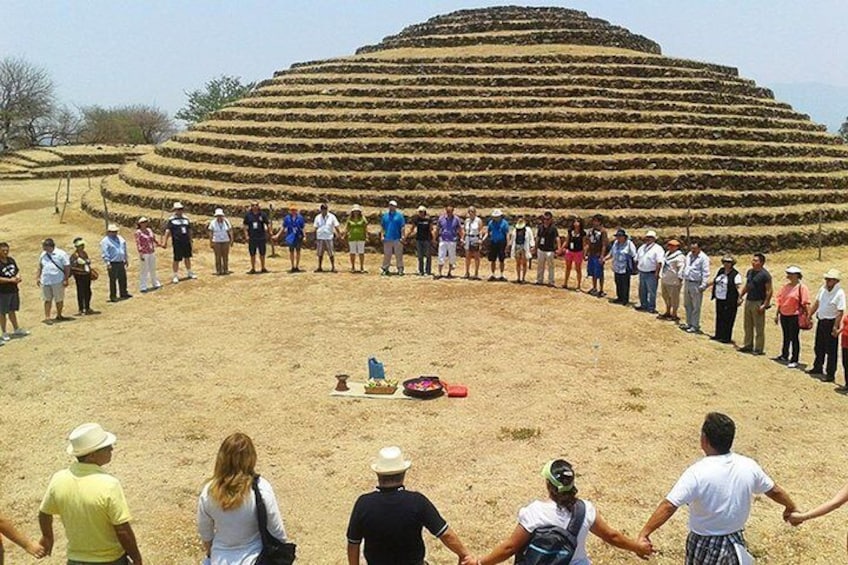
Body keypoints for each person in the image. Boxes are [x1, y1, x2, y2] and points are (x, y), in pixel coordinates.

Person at [639, 412, 797, 564]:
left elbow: (669, 505)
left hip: (705, 545)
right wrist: (790, 506)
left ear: (704, 440)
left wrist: (644, 533)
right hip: (736, 543)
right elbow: (774, 490)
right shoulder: (748, 465)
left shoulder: (697, 472)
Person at [466, 459, 652, 565]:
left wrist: (480, 563)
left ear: (548, 484)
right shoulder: (586, 509)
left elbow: (510, 548)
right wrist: (637, 547)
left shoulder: (534, 512)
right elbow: (612, 536)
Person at [346, 446, 473, 565]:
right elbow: (445, 534)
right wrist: (465, 555)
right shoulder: (417, 501)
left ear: (378, 474)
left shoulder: (363, 504)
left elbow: (353, 543)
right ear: (403, 473)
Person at [39, 423, 143, 565]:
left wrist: (47, 537)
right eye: (106, 447)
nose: (111, 449)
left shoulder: (59, 479)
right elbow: (122, 530)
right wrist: (136, 558)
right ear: (92, 456)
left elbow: (44, 513)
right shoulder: (109, 484)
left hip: (75, 560)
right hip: (110, 560)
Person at [197, 433, 289, 564]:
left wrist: (211, 555)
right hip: (254, 558)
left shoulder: (208, 492)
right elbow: (276, 529)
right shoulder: (261, 488)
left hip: (220, 558)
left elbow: (205, 533)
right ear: (251, 458)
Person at [807, 268, 846, 382]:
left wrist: (835, 326)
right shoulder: (822, 289)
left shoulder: (839, 293)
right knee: (819, 346)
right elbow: (817, 303)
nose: (827, 281)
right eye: (827, 279)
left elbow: (840, 311)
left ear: (836, 281)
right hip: (822, 320)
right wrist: (810, 314)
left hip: (831, 322)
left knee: (831, 350)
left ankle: (830, 373)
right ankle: (818, 367)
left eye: (830, 279)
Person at [774, 266, 810, 369]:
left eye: (790, 273)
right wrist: (777, 314)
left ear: (796, 275)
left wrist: (808, 316)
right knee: (786, 336)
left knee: (794, 337)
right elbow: (780, 301)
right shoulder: (785, 287)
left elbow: (805, 303)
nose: (788, 275)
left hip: (794, 316)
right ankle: (784, 355)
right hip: (784, 314)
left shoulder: (802, 288)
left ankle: (795, 359)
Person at [737, 253, 773, 355]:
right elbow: (748, 285)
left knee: (759, 327)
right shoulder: (750, 272)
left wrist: (765, 304)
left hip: (758, 302)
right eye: (753, 260)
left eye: (756, 261)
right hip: (749, 301)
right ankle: (748, 345)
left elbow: (769, 291)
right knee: (747, 325)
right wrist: (741, 295)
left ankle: (758, 348)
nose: (753, 262)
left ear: (762, 262)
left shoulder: (765, 275)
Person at [707, 255, 742, 344]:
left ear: (732, 263)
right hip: (720, 297)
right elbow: (716, 280)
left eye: (729, 262)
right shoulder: (721, 271)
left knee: (728, 318)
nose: (726, 264)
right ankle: (718, 334)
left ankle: (726, 337)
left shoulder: (735, 274)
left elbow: (738, 287)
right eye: (725, 262)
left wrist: (740, 297)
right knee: (720, 316)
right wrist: (706, 286)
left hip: (730, 299)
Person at [36, 238, 71, 324]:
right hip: (46, 280)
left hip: (58, 280)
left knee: (59, 299)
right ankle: (47, 317)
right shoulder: (43, 254)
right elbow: (40, 266)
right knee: (47, 299)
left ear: (49, 246)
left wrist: (66, 279)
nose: (43, 248)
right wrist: (38, 277)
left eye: (44, 246)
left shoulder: (61, 254)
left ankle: (59, 315)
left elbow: (67, 267)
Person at [0, 242, 29, 342]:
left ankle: (16, 328)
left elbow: (17, 271)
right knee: (2, 312)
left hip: (13, 290)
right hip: (2, 292)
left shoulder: (11, 260)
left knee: (12, 310)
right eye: (3, 250)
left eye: (7, 250)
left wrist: (18, 277)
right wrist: (10, 280)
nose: (5, 252)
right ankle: (4, 332)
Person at [162, 202, 197, 284]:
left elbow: (189, 230)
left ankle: (189, 272)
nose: (180, 211)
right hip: (177, 242)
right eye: (178, 209)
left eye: (181, 209)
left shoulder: (186, 219)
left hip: (186, 241)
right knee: (176, 259)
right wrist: (165, 241)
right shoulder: (171, 220)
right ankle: (175, 275)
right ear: (175, 210)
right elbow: (168, 231)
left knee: (187, 257)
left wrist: (191, 239)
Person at [680, 242, 710, 334]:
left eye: (694, 249)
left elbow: (706, 272)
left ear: (699, 248)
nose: (692, 250)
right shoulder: (689, 255)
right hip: (688, 281)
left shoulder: (704, 258)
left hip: (696, 283)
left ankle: (695, 325)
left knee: (696, 306)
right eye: (692, 248)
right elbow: (685, 266)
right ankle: (689, 323)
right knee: (687, 304)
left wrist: (703, 285)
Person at [635, 230, 664, 313]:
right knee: (642, 290)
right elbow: (637, 258)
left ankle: (651, 307)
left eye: (650, 237)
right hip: (642, 272)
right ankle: (643, 305)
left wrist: (657, 273)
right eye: (647, 237)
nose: (648, 239)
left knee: (652, 291)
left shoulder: (658, 249)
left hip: (651, 273)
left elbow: (659, 262)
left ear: (654, 239)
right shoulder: (642, 247)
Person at [604, 229, 636, 305]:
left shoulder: (629, 244)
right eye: (617, 236)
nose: (618, 238)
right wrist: (605, 259)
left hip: (625, 267)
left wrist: (635, 266)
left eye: (620, 236)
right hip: (617, 267)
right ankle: (619, 297)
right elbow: (611, 254)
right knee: (618, 283)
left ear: (624, 237)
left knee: (625, 284)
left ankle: (625, 299)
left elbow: (634, 255)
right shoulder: (615, 243)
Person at [100, 224, 131, 303]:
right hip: (112, 262)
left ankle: (123, 292)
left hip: (120, 261)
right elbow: (105, 253)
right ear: (109, 232)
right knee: (113, 280)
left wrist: (126, 259)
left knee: (123, 278)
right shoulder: (105, 241)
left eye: (115, 232)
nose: (114, 233)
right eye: (113, 232)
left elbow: (124, 248)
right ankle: (113, 296)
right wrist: (107, 262)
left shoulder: (120, 238)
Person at [272, 205, 306, 273]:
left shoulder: (300, 218)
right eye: (292, 210)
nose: (293, 211)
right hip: (291, 236)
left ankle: (297, 266)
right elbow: (283, 227)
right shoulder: (287, 218)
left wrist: (304, 236)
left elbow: (303, 228)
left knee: (298, 251)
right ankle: (292, 266)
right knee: (291, 251)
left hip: (298, 236)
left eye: (294, 210)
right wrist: (277, 235)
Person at [69, 238, 99, 316]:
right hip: (79, 276)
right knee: (81, 292)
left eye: (82, 245)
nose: (82, 247)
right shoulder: (74, 256)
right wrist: (78, 264)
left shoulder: (84, 253)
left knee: (88, 291)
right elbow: (71, 267)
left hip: (86, 275)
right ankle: (81, 308)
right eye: (80, 246)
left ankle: (87, 307)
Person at [657, 239, 684, 322]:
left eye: (672, 246)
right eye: (669, 245)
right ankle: (668, 311)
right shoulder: (667, 254)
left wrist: (680, 278)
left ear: (677, 247)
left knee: (674, 298)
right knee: (666, 296)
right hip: (665, 278)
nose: (670, 247)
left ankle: (674, 313)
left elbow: (681, 268)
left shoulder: (680, 257)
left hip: (674, 280)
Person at [134, 217, 162, 291]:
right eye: (143, 222)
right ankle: (143, 286)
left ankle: (155, 283)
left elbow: (153, 239)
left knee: (153, 268)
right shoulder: (138, 232)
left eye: (146, 222)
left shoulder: (149, 230)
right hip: (144, 252)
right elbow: (138, 243)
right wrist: (140, 253)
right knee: (144, 269)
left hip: (151, 251)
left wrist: (158, 243)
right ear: (139, 224)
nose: (144, 223)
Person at [243, 201, 270, 274]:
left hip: (261, 237)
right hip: (252, 237)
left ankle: (263, 267)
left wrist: (269, 232)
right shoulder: (248, 215)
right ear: (251, 206)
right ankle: (253, 268)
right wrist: (246, 235)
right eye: (253, 205)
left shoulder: (262, 214)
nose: (255, 206)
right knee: (252, 253)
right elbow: (245, 226)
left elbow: (267, 223)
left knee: (262, 253)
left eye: (256, 205)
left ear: (258, 206)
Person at [436, 205, 462, 279]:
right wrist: (435, 237)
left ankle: (449, 272)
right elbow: (438, 228)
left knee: (452, 257)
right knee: (441, 256)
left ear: (452, 211)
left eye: (450, 211)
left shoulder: (456, 219)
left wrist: (461, 237)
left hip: (452, 240)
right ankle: (440, 273)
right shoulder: (441, 218)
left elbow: (460, 229)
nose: (449, 213)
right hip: (443, 239)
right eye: (448, 211)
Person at [561, 217, 586, 291]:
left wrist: (584, 254)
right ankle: (565, 283)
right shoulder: (570, 231)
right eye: (575, 222)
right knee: (568, 267)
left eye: (577, 222)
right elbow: (567, 241)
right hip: (570, 251)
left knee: (578, 269)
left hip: (578, 252)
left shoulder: (582, 233)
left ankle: (578, 285)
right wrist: (562, 248)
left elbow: (584, 244)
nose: (576, 223)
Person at [380, 200, 405, 276]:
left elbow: (402, 227)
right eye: (390, 205)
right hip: (387, 238)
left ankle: (400, 268)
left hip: (397, 238)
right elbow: (382, 227)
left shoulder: (400, 216)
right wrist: (382, 235)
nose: (391, 207)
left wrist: (403, 236)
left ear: (395, 207)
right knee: (387, 254)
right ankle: (385, 268)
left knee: (399, 254)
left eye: (393, 206)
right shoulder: (385, 216)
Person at [585, 215, 608, 297]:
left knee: (600, 273)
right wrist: (586, 253)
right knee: (593, 272)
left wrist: (602, 256)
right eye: (593, 221)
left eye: (596, 221)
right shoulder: (591, 231)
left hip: (598, 255)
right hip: (592, 254)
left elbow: (604, 245)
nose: (594, 222)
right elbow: (588, 242)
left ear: (600, 222)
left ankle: (601, 289)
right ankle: (594, 287)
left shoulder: (603, 231)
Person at [534, 211, 559, 286]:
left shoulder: (553, 228)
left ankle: (551, 281)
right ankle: (539, 280)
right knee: (540, 266)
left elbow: (557, 238)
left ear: (551, 219)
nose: (546, 221)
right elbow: (538, 238)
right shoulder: (540, 227)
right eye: (544, 219)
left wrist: (559, 248)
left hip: (550, 250)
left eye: (547, 219)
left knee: (550, 267)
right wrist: (535, 247)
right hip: (541, 249)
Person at [483, 209, 509, 281]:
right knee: (493, 259)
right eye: (495, 216)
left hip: (501, 243)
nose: (495, 218)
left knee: (501, 260)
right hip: (493, 242)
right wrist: (483, 239)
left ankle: (501, 274)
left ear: (500, 216)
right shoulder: (491, 223)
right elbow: (488, 232)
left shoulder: (505, 223)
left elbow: (507, 234)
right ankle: (493, 274)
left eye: (497, 216)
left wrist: (507, 243)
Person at [313, 203, 341, 273]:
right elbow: (315, 227)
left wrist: (339, 234)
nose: (324, 211)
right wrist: (314, 236)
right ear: (321, 210)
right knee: (320, 253)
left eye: (325, 209)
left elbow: (336, 226)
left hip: (329, 237)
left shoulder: (332, 217)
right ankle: (319, 267)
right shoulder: (317, 217)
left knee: (331, 253)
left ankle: (333, 267)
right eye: (323, 209)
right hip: (320, 237)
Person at [508, 217, 534, 284]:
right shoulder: (515, 230)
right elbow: (513, 239)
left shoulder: (528, 230)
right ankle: (518, 277)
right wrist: (509, 245)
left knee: (524, 263)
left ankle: (523, 278)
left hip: (524, 247)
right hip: (517, 247)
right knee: (518, 263)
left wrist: (532, 246)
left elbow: (531, 238)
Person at [208, 209, 233, 276]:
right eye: (218, 216)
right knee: (217, 256)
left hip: (225, 240)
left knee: (225, 256)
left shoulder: (226, 222)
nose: (219, 217)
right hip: (216, 241)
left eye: (220, 216)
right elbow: (210, 232)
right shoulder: (212, 222)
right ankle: (218, 270)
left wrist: (231, 240)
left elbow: (230, 231)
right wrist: (211, 242)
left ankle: (225, 269)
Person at [410, 205, 434, 276]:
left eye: (421, 212)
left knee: (428, 256)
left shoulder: (429, 220)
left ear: (424, 212)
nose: (420, 213)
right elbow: (412, 228)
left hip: (427, 239)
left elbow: (431, 229)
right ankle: (421, 271)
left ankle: (428, 271)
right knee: (420, 256)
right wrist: (407, 236)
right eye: (419, 212)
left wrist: (433, 238)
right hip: (419, 239)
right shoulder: (416, 219)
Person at [346, 204, 368, 273]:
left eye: (357, 211)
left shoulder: (363, 218)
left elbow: (365, 227)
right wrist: (345, 234)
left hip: (361, 237)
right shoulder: (349, 219)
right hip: (352, 237)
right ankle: (353, 267)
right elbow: (347, 228)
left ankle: (361, 267)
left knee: (361, 253)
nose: (356, 212)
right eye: (355, 211)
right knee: (352, 253)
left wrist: (366, 235)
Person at [463, 206, 483, 280]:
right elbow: (465, 230)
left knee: (476, 256)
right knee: (467, 256)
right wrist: (463, 239)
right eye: (469, 211)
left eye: (472, 211)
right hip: (468, 238)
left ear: (475, 212)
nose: (471, 213)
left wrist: (480, 239)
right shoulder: (467, 221)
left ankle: (476, 273)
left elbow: (480, 230)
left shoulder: (478, 220)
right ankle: (467, 272)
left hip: (475, 238)